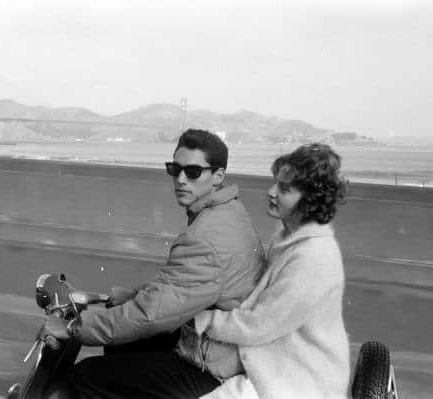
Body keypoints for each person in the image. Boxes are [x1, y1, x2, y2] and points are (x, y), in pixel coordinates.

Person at [41, 128, 266, 398]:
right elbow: (181, 287)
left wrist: (72, 328)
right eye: (175, 169)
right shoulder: (229, 211)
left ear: (218, 176)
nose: (181, 179)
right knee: (123, 345)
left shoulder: (206, 238)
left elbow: (151, 315)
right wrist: (131, 296)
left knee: (84, 377)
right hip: (225, 347)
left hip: (213, 369)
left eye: (193, 172)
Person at [195, 143, 351, 399]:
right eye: (275, 183)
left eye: (284, 189)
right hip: (279, 365)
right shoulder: (288, 238)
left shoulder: (313, 258)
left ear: (310, 200)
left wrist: (206, 321)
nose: (271, 192)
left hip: (300, 381)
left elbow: (261, 324)